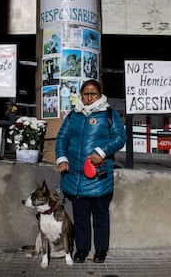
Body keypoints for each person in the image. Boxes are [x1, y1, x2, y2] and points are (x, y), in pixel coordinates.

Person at [55, 79, 127, 264]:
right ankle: (82, 249)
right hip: (76, 176)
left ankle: (101, 250)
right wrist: (62, 159)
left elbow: (120, 138)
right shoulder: (73, 116)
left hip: (99, 174)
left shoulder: (109, 114)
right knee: (81, 216)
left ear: (99, 94)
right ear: (81, 95)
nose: (89, 97)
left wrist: (101, 151)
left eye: (92, 94)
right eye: (86, 94)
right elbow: (62, 138)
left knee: (101, 215)